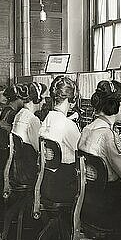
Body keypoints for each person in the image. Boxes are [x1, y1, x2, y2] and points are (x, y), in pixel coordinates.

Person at [77, 79, 121, 228]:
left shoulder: (87, 130)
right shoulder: (108, 135)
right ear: (115, 105)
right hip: (109, 208)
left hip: (87, 204)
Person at [39, 75, 81, 203]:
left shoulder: (47, 118)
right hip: (63, 186)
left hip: (45, 181)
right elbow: (82, 150)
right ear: (71, 99)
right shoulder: (68, 125)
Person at [10, 82, 47, 185]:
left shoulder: (19, 114)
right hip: (29, 171)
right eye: (42, 97)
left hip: (18, 169)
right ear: (36, 99)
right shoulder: (32, 119)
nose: (44, 101)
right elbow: (40, 149)